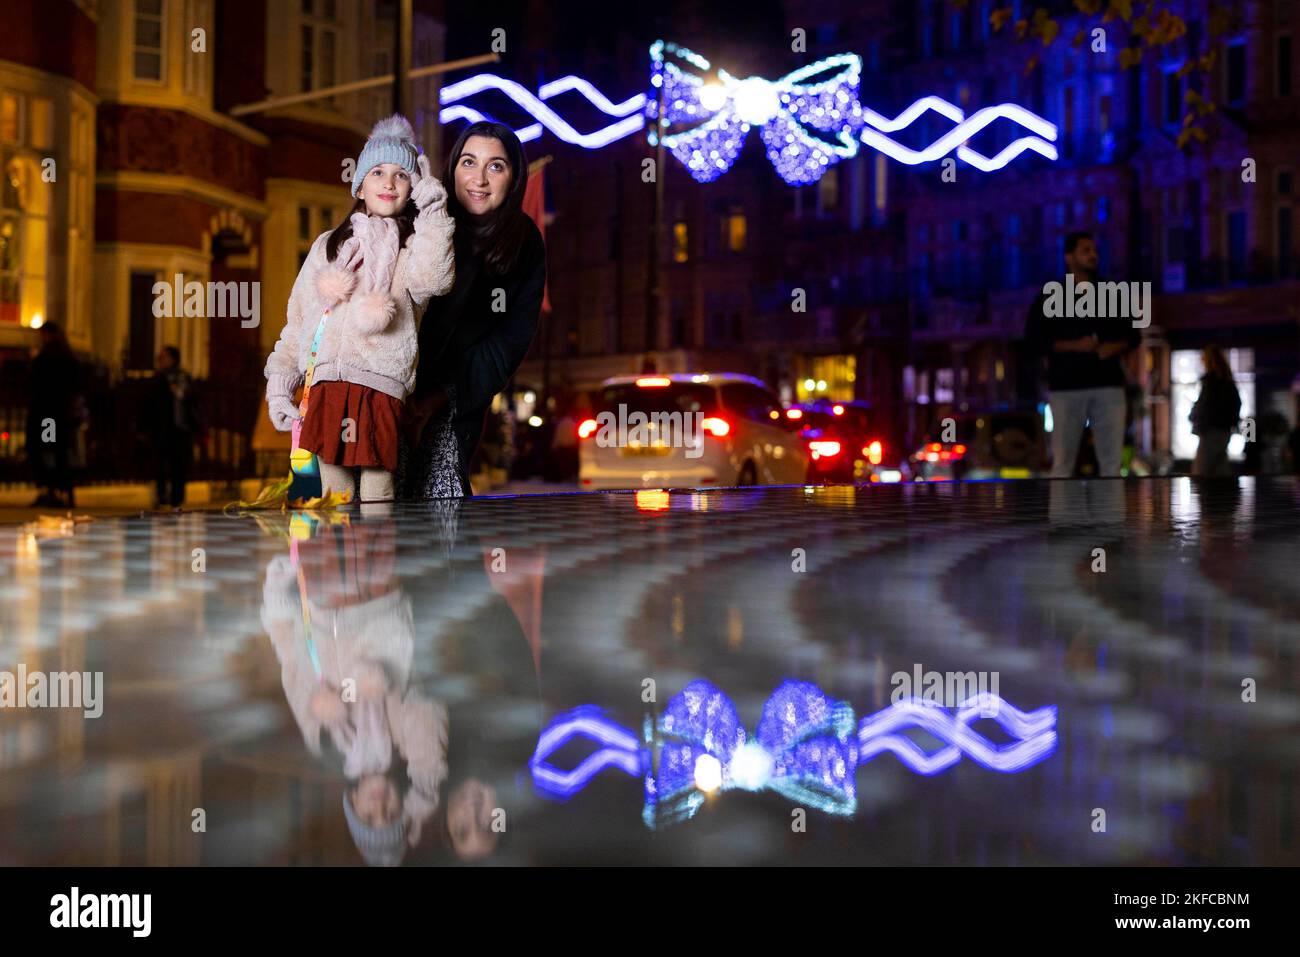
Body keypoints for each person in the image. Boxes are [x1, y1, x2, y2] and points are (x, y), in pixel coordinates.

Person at [264, 114, 456, 503]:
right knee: (332, 485)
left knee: (377, 481)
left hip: (379, 385)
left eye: (402, 175)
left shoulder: (414, 247)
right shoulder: (328, 246)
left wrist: (435, 213)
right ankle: (337, 560)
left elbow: (436, 279)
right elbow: (299, 319)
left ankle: (375, 559)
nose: (388, 182)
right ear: (361, 185)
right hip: (323, 384)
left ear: (413, 188)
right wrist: (281, 384)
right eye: (378, 172)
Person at [399, 120, 547, 500]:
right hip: (387, 385)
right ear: (452, 168)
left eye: (495, 166)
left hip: (455, 396)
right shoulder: (421, 216)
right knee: (373, 506)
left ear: (513, 178)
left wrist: (435, 402)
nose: (478, 179)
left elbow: (507, 344)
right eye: (468, 162)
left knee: (442, 503)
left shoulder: (524, 243)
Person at [1024, 231, 1141, 478]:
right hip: (1067, 386)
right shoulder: (1051, 294)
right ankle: (1064, 516)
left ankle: (1111, 516)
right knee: (1063, 462)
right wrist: (1074, 345)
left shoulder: (1112, 292)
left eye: (1094, 250)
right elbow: (1034, 340)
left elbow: (1133, 336)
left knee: (1111, 462)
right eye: (1085, 250)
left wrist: (1112, 347)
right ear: (1069, 257)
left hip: (1107, 383)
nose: (1093, 255)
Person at [26, 321, 80, 507]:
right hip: (61, 412)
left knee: (48, 448)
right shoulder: (67, 355)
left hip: (47, 413)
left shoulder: (47, 356)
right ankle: (61, 489)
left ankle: (51, 489)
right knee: (59, 450)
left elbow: (36, 382)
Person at [149, 345, 201, 507]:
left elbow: (192, 401)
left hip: (180, 428)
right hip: (162, 428)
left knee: (178, 464)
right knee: (160, 464)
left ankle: (177, 497)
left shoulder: (183, 377)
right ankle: (161, 495)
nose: (161, 361)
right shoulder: (158, 379)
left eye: (165, 357)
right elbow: (150, 404)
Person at [1190, 346, 1241, 477]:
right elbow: (1236, 404)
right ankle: (1223, 497)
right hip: (1223, 430)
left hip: (1210, 432)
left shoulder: (1211, 382)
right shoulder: (1227, 381)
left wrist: (1195, 416)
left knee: (1201, 473)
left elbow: (1205, 406)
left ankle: (1207, 498)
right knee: (1220, 471)